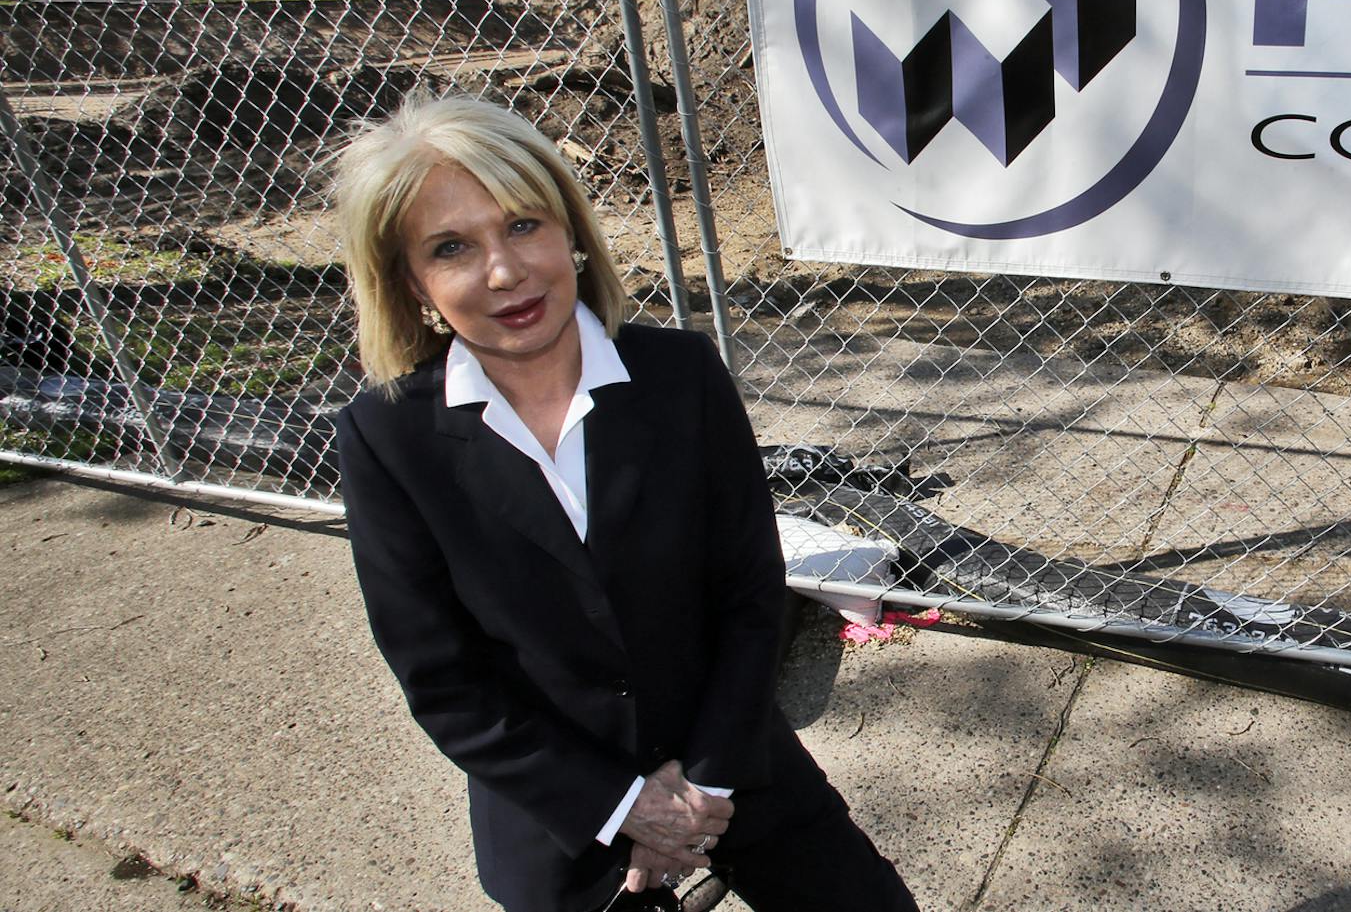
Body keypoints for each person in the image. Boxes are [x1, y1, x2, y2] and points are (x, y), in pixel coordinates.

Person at [333, 96, 916, 912]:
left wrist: (703, 784)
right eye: (452, 247)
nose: (504, 270)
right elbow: (444, 680)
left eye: (524, 225)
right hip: (559, 807)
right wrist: (620, 807)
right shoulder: (385, 438)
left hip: (729, 750)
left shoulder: (682, 376)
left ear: (571, 230)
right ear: (410, 279)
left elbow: (750, 593)